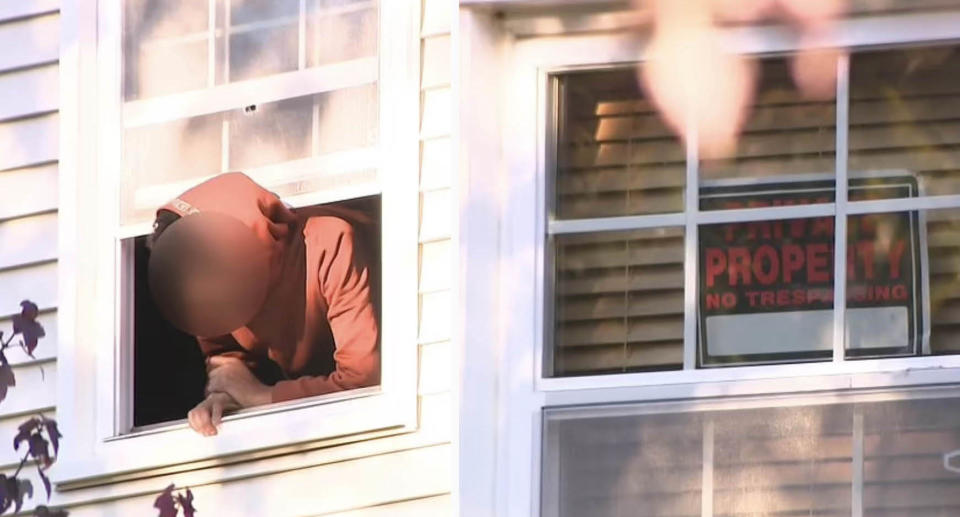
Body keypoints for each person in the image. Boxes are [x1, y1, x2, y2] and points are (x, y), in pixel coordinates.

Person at [147, 172, 379, 436]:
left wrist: (262, 397)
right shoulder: (203, 288)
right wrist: (222, 398)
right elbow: (228, 359)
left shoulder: (328, 241)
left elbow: (363, 381)